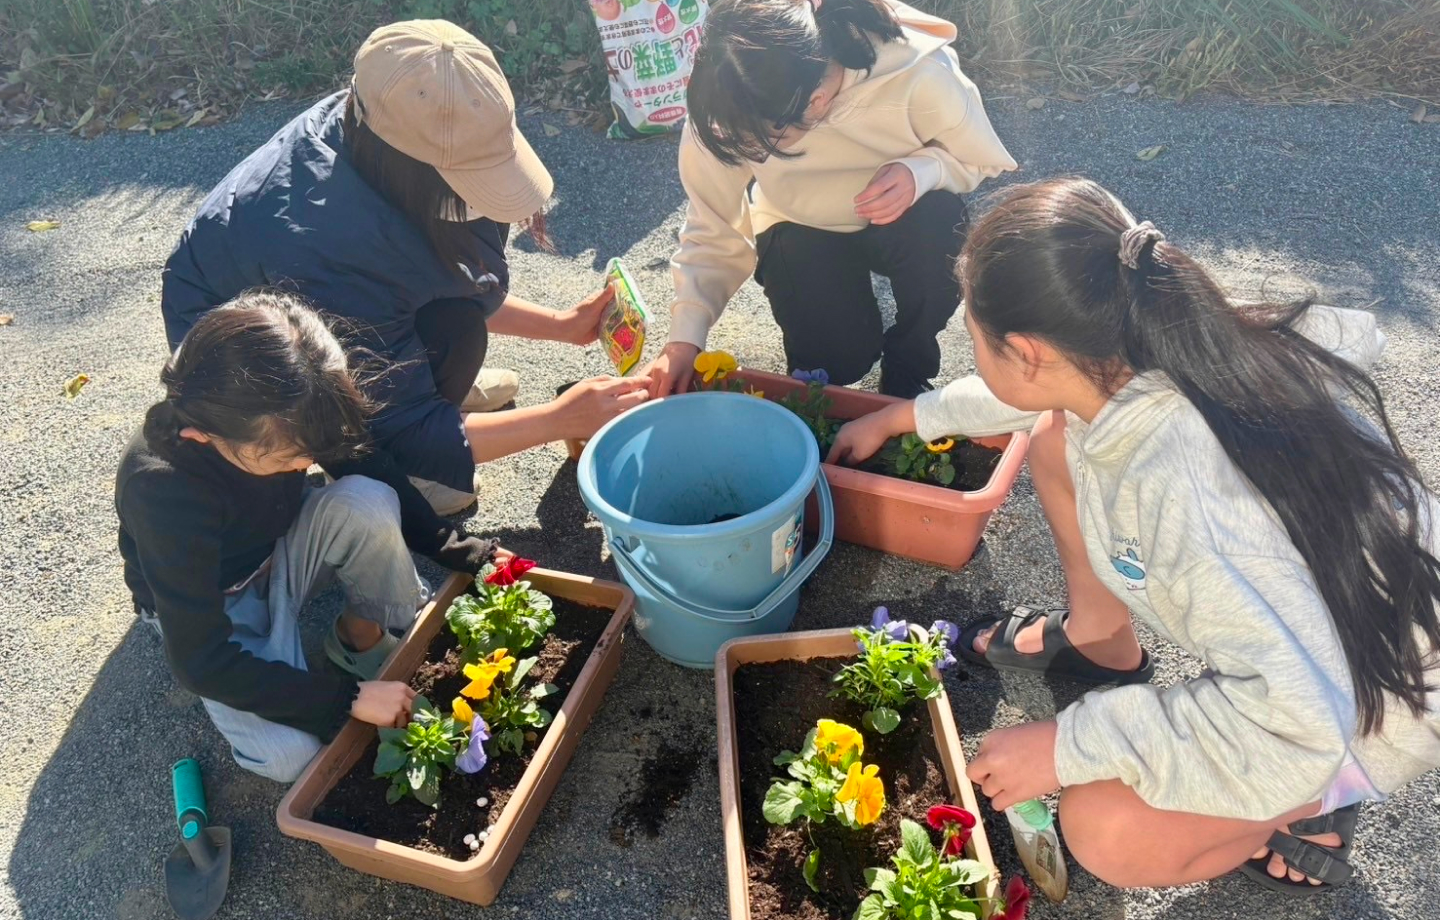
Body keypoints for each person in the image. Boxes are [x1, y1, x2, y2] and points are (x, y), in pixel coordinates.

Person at [828, 177, 1440, 892]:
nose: (977, 353)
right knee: (1055, 433)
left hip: (1367, 706)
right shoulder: (1157, 334)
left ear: (1027, 351)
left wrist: (1066, 745)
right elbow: (1026, 394)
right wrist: (904, 417)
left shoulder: (1184, 499)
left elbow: (1295, 721)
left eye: (976, 340)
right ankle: (1099, 638)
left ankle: (1311, 805)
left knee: (1105, 828)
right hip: (1325, 632)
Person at [161, 20, 649, 516]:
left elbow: (452, 272)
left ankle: (436, 400)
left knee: (458, 326)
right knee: (403, 387)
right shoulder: (335, 244)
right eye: (469, 179)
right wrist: (559, 419)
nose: (485, 203)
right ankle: (397, 474)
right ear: (412, 169)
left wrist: (563, 325)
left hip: (341, 291)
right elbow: (402, 421)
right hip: (251, 366)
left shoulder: (385, 118)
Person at [118, 290, 507, 783]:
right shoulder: (161, 489)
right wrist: (345, 700)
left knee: (367, 499)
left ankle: (360, 637)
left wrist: (466, 551)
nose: (308, 463)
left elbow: (368, 466)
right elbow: (200, 660)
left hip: (277, 546)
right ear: (203, 437)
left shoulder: (290, 400)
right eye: (289, 460)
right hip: (219, 604)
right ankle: (329, 670)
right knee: (290, 757)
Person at [644, 0, 1016, 400]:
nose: (744, 146)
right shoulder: (729, 100)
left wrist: (924, 171)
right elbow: (712, 226)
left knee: (939, 225)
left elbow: (980, 158)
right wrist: (684, 338)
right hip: (799, 224)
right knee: (834, 361)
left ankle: (908, 366)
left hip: (904, 220)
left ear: (818, 102)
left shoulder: (918, 71)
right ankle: (821, 380)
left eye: (760, 142)